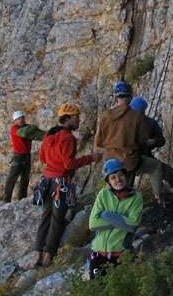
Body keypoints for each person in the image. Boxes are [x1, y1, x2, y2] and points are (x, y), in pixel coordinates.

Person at [33, 103, 100, 267]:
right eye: (77, 118)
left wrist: (53, 162)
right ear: (68, 119)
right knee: (57, 220)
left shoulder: (50, 134)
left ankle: (37, 255)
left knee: (45, 218)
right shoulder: (68, 138)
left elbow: (42, 158)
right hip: (60, 182)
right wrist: (91, 158)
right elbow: (69, 164)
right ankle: (49, 256)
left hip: (46, 181)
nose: (79, 121)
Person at [95, 82, 165, 206]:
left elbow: (98, 142)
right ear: (130, 97)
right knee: (155, 166)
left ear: (116, 98)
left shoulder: (105, 117)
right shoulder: (136, 116)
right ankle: (158, 199)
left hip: (110, 161)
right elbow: (143, 141)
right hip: (129, 160)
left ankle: (108, 211)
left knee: (112, 188)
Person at [88, 159, 143, 279]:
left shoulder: (136, 198)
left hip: (121, 256)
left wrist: (106, 215)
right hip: (98, 254)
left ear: (126, 176)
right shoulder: (103, 195)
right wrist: (121, 222)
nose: (118, 180)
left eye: (121, 175)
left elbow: (133, 225)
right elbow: (93, 224)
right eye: (113, 177)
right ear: (108, 181)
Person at [128, 96, 173, 199]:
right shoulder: (126, 125)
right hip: (129, 158)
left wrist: (153, 141)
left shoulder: (150, 123)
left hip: (146, 156)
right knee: (126, 183)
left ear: (142, 112)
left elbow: (161, 140)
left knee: (169, 172)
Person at [3, 110, 45, 203]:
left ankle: (22, 199)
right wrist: (33, 127)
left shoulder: (28, 128)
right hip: (18, 156)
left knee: (25, 179)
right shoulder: (15, 128)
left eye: (22, 118)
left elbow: (40, 135)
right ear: (16, 121)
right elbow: (24, 133)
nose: (21, 120)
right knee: (12, 178)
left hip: (26, 156)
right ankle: (6, 200)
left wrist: (48, 135)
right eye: (19, 119)